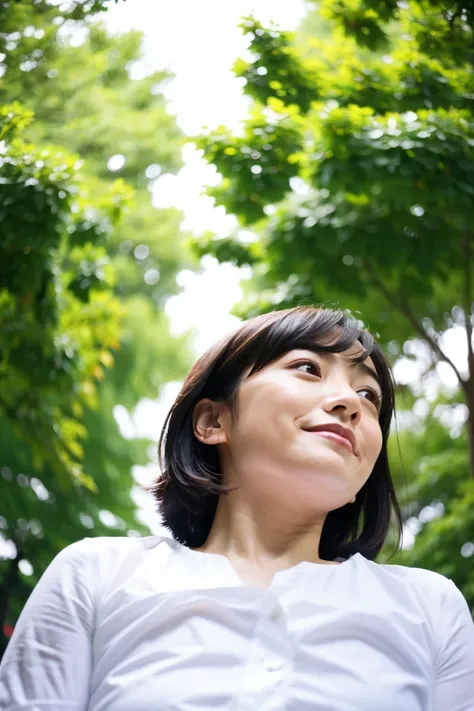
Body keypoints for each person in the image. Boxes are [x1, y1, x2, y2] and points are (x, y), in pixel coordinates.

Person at [0, 305, 473, 710]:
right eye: (308, 367)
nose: (350, 401)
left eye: (369, 396)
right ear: (213, 421)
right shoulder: (95, 577)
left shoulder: (431, 608)